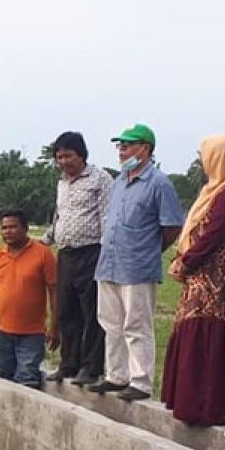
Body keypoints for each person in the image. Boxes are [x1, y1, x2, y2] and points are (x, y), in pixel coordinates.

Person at [160, 135, 225, 425]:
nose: (203, 161)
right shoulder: (216, 191)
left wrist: (186, 262)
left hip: (214, 272)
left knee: (205, 329)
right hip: (206, 273)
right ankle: (197, 404)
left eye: (206, 155)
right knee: (197, 328)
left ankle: (202, 406)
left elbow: (212, 234)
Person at [88, 123, 185, 401]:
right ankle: (116, 375)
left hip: (137, 265)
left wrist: (150, 249)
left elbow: (171, 225)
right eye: (120, 146)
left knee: (136, 324)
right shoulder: (119, 181)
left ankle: (140, 381)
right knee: (110, 322)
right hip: (109, 263)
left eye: (128, 145)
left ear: (145, 148)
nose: (122, 150)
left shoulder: (158, 183)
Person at [42, 131, 113, 386]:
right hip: (66, 253)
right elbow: (59, 217)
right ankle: (68, 363)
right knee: (66, 311)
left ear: (81, 154)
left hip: (92, 252)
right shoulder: (62, 183)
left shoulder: (101, 179)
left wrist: (106, 254)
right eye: (59, 157)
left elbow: (107, 218)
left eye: (68, 155)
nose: (63, 161)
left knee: (92, 312)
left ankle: (91, 367)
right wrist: (45, 240)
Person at [0, 210, 59, 388]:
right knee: (3, 380)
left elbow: (55, 291)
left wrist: (55, 326)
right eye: (4, 228)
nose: (7, 231)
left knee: (27, 380)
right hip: (2, 332)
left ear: (25, 228)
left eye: (13, 227)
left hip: (32, 334)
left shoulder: (43, 254)